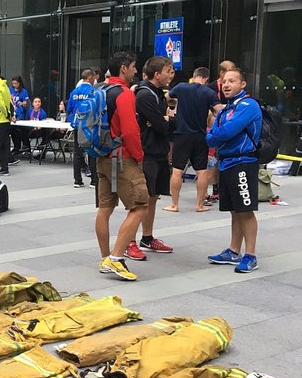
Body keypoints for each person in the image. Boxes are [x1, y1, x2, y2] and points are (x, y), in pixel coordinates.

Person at [95, 52, 147, 282]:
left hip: (103, 157)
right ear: (124, 68)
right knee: (140, 206)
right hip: (122, 157)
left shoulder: (100, 90)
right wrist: (139, 156)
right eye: (134, 67)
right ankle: (115, 259)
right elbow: (130, 131)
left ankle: (106, 257)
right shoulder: (124, 94)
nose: (136, 71)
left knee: (105, 209)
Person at [206, 67, 263, 274]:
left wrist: (214, 135)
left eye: (232, 81)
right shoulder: (226, 109)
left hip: (243, 163)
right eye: (224, 81)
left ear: (243, 84)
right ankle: (233, 250)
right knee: (234, 210)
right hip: (226, 163)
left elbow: (226, 131)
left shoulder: (248, 105)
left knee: (245, 210)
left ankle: (251, 255)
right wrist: (214, 135)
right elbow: (213, 134)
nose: (227, 85)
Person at [126, 56, 176, 261]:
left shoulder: (158, 94)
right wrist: (168, 118)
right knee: (141, 199)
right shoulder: (145, 95)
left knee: (153, 197)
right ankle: (129, 242)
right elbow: (163, 126)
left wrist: (165, 119)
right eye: (169, 70)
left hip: (159, 152)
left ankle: (147, 238)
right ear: (157, 74)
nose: (172, 74)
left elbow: (162, 124)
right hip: (147, 153)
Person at [165, 67, 223, 213]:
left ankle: (174, 204)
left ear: (194, 76)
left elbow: (167, 98)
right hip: (200, 136)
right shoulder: (209, 92)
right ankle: (199, 205)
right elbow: (220, 109)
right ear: (206, 79)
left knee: (177, 170)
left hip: (181, 135)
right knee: (201, 171)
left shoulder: (181, 87)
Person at [66, 69, 98, 187]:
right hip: (89, 125)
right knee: (92, 152)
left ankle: (77, 180)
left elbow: (69, 108)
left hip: (76, 124)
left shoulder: (74, 92)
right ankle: (94, 180)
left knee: (77, 152)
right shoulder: (93, 91)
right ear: (90, 78)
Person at [9, 76, 31, 159]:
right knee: (13, 131)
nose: (14, 85)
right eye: (13, 83)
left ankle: (26, 147)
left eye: (16, 83)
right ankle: (16, 147)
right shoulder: (10, 90)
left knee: (22, 130)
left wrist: (22, 103)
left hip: (20, 114)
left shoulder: (24, 91)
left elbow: (26, 102)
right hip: (12, 113)